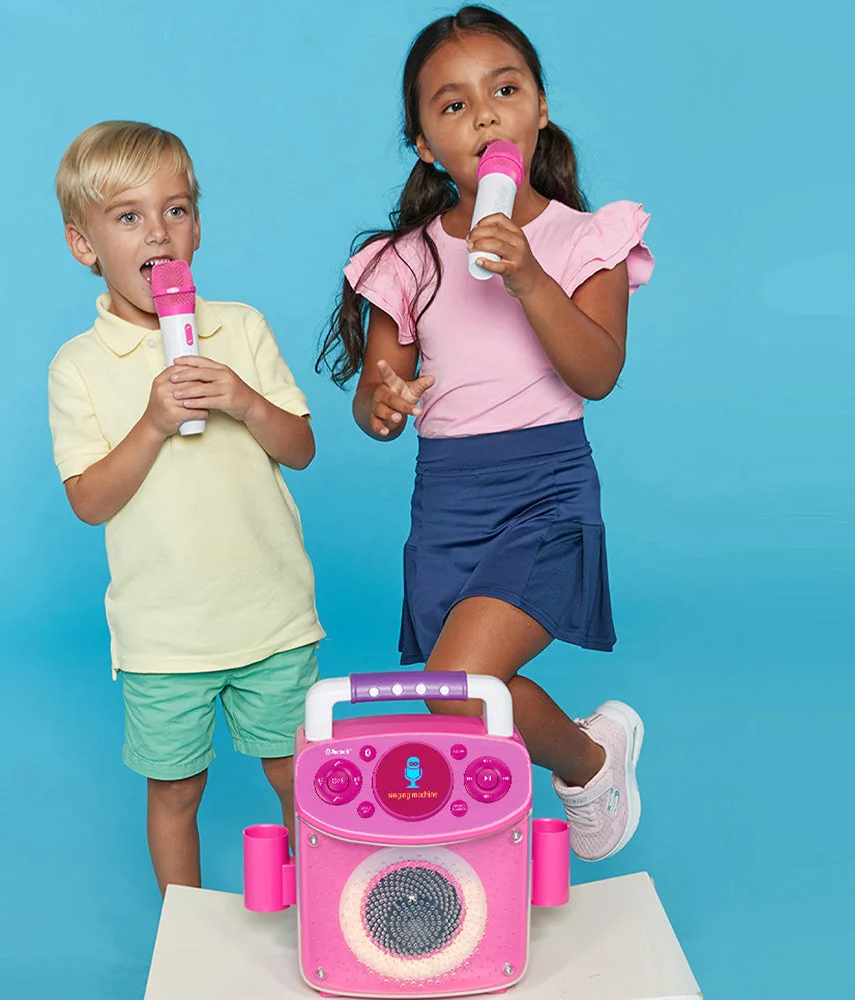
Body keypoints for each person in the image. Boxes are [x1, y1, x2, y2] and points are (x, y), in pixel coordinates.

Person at [317, 7, 655, 861]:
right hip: (447, 507)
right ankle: (590, 758)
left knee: (460, 683)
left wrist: (530, 276)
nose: (485, 116)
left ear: (540, 109)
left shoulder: (587, 240)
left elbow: (597, 373)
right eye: (454, 105)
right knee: (457, 698)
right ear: (426, 144)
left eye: (505, 91)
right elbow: (377, 394)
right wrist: (381, 404)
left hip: (544, 495)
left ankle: (575, 773)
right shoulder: (407, 259)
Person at [49, 121, 324, 892]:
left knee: (300, 776)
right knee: (176, 791)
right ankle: (185, 931)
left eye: (176, 210)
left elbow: (301, 447)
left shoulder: (240, 327)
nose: (158, 232)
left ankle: (321, 912)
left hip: (271, 617)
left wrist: (243, 400)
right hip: (165, 637)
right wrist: (151, 423)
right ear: (85, 245)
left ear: (197, 226)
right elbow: (89, 501)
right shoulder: (78, 366)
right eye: (128, 216)